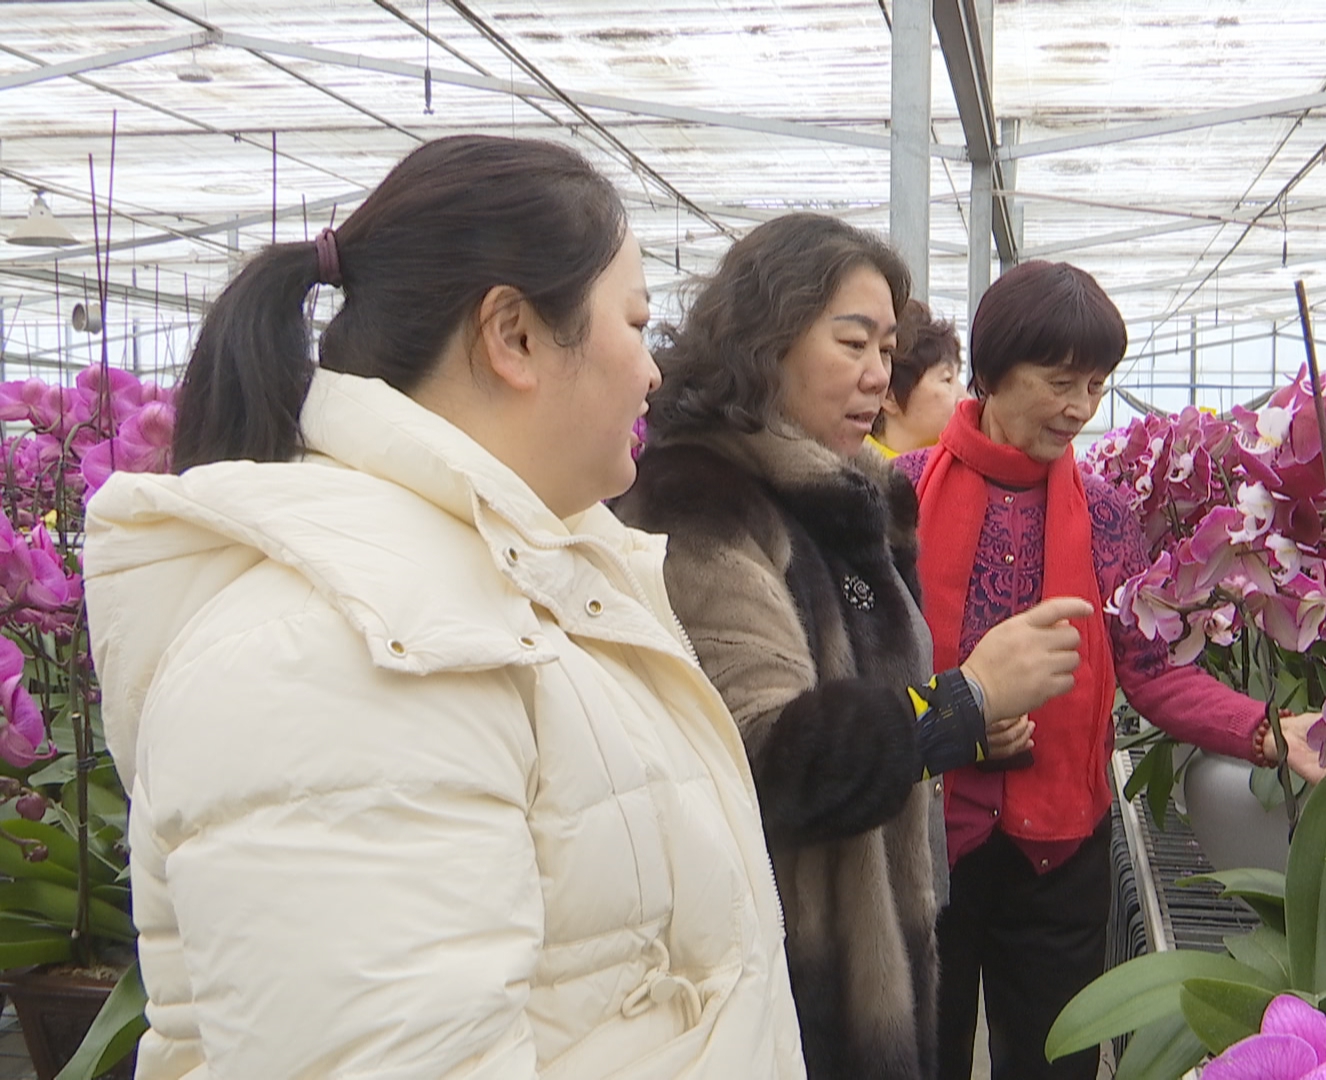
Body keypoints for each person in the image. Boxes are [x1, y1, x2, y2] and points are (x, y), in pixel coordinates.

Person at [84, 136, 805, 1078]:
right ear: (513, 335)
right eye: (634, 323)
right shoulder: (344, 651)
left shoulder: (508, 584)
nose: (653, 372)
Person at [609, 212, 1088, 1080]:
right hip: (790, 985)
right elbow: (766, 755)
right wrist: (964, 701)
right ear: (765, 338)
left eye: (889, 350)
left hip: (879, 957)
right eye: (853, 343)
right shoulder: (704, 504)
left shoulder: (851, 500)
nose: (879, 376)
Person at [897, 260, 1326, 1080]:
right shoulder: (900, 498)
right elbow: (861, 675)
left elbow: (1150, 668)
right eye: (1060, 381)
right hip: (922, 844)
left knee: (1056, 1062)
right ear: (992, 371)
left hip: (1058, 848)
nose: (1081, 407)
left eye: (1097, 385)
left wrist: (1268, 731)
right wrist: (958, 716)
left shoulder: (1105, 514)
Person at [867, 298, 966, 458]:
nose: (965, 397)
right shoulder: (851, 468)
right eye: (947, 380)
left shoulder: (959, 460)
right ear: (889, 396)